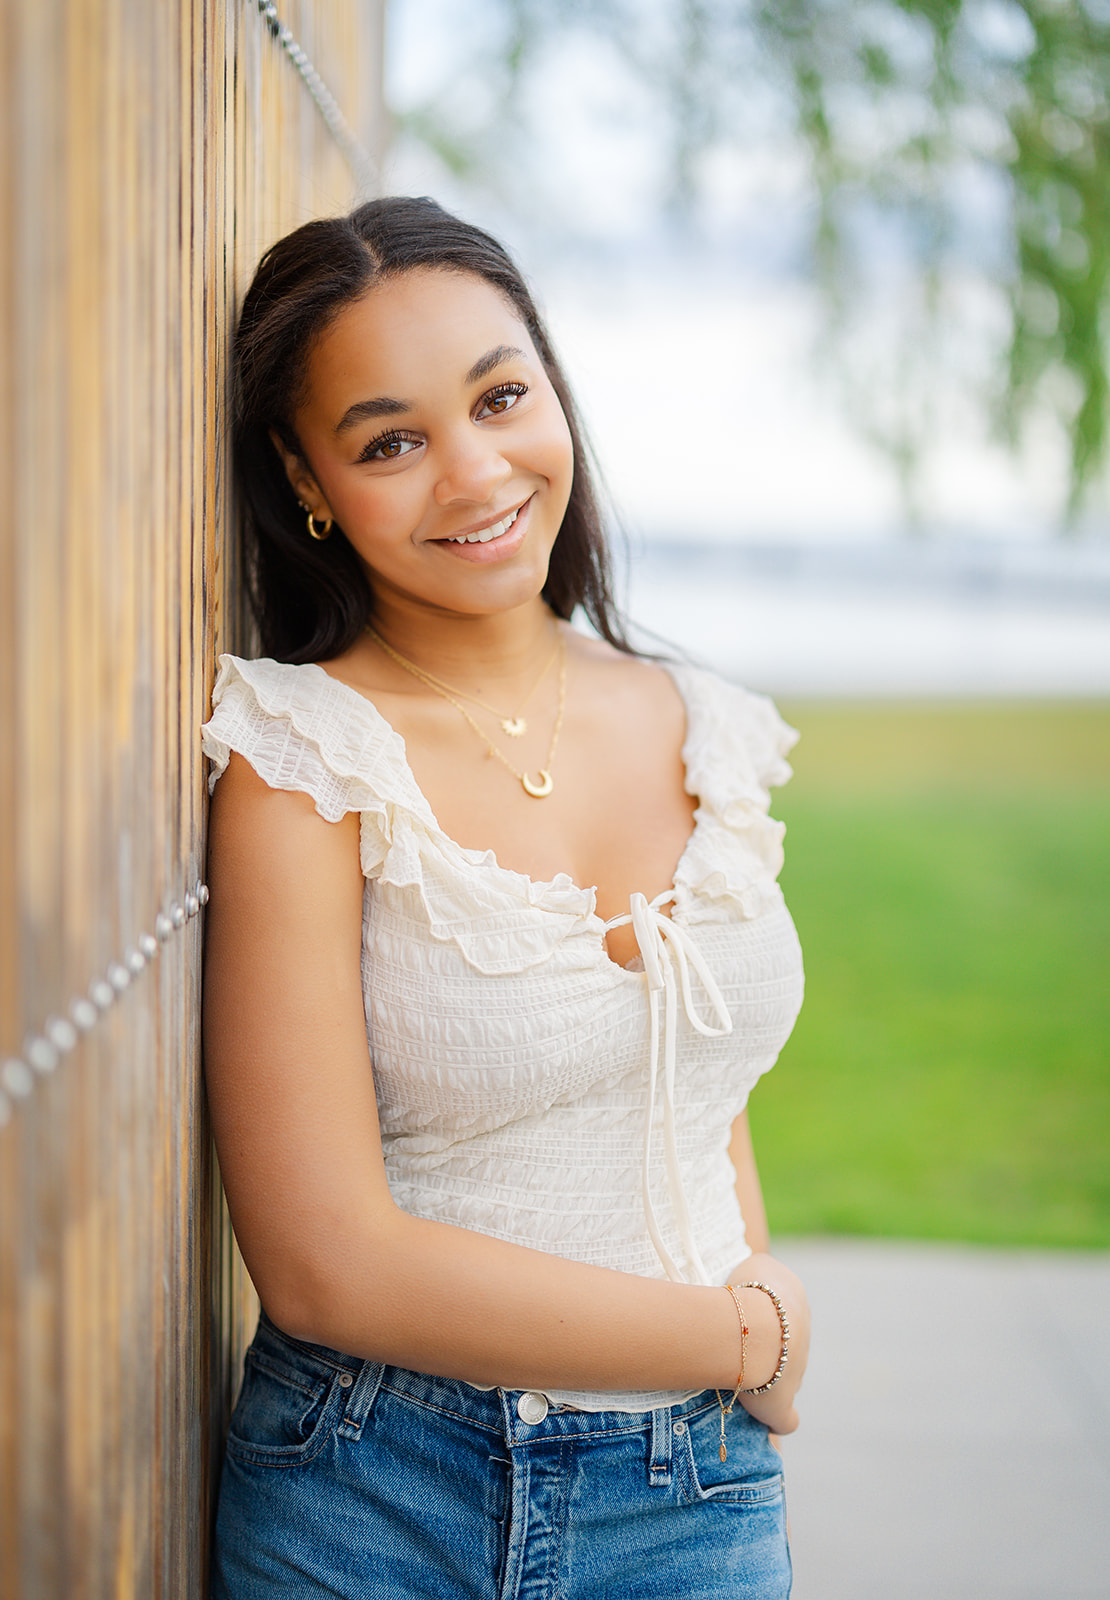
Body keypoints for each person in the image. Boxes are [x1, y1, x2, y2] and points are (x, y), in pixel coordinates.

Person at [201, 195, 810, 1600]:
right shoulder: (306, 759)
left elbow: (693, 1081)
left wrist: (746, 1320)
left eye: (499, 397)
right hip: (381, 1485)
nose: (473, 474)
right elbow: (322, 1267)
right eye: (391, 440)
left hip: (696, 1494)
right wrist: (748, 1337)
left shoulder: (696, 722)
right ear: (307, 477)